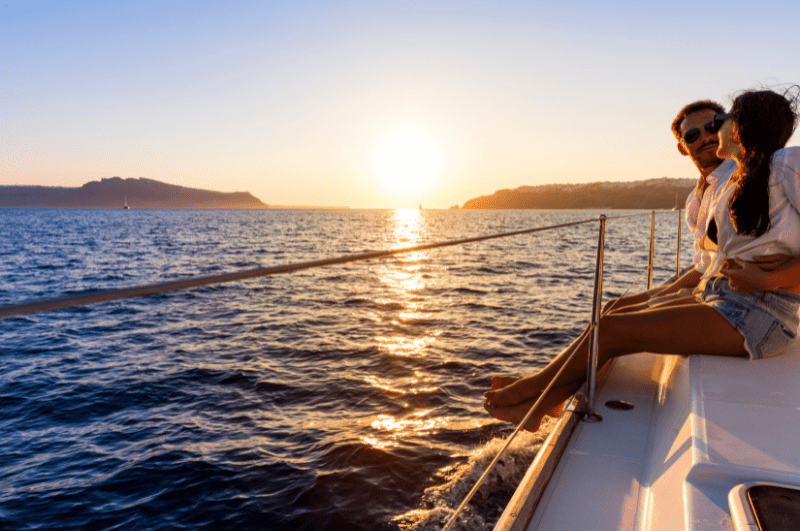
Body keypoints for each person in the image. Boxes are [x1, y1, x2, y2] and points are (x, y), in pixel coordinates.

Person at [484, 87, 800, 431]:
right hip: (728, 300)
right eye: (697, 133)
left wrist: (770, 278)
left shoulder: (785, 164)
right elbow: (719, 261)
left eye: (721, 121)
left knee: (611, 329)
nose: (713, 130)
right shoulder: (738, 181)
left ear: (743, 127)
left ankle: (533, 390)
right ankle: (544, 399)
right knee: (612, 320)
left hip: (759, 314)